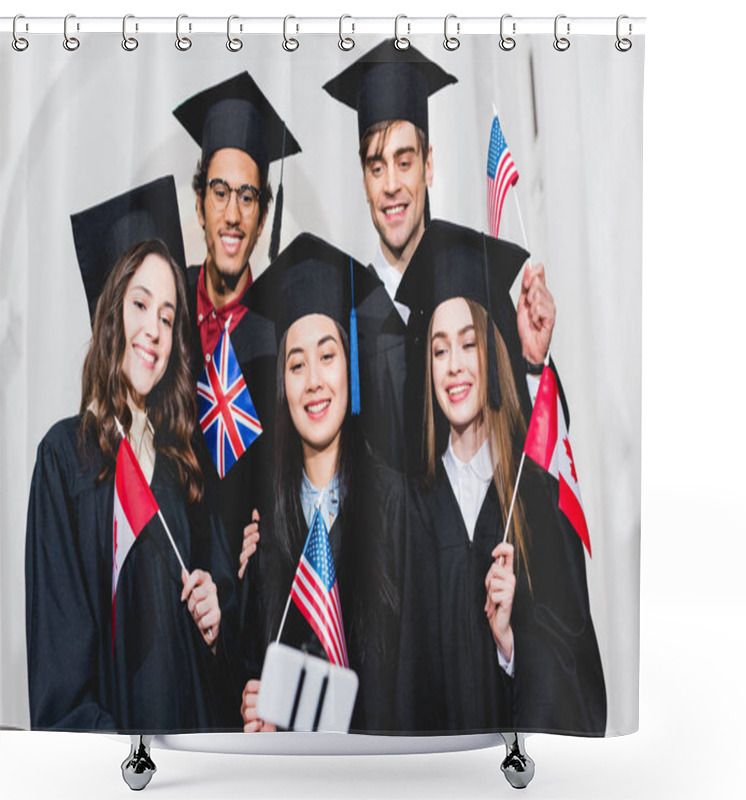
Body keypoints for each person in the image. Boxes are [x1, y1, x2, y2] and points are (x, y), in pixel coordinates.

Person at [25, 177, 238, 732]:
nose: (154, 330)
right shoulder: (63, 460)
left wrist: (217, 618)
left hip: (196, 763)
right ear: (109, 311)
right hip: (119, 773)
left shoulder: (185, 465)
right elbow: (61, 680)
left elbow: (219, 651)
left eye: (169, 316)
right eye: (140, 304)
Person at [395, 220, 607, 734]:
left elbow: (572, 653)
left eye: (469, 344)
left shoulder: (532, 494)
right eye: (440, 349)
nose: (454, 367)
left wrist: (509, 644)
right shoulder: (409, 505)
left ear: (493, 352)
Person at [237, 233, 404, 734]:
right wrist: (255, 705)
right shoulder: (264, 535)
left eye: (327, 356)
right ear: (282, 386)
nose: (312, 380)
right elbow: (250, 673)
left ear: (351, 367)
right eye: (295, 363)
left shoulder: (397, 509)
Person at [173, 71, 302, 562]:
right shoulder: (165, 309)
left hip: (247, 596)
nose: (232, 214)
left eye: (247, 197)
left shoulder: (282, 331)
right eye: (220, 192)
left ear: (263, 217)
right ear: (201, 205)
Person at [323, 40, 458, 471]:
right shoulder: (347, 314)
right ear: (363, 179)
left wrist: (532, 363)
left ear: (429, 166)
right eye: (376, 167)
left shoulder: (471, 294)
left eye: (404, 162)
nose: (391, 186)